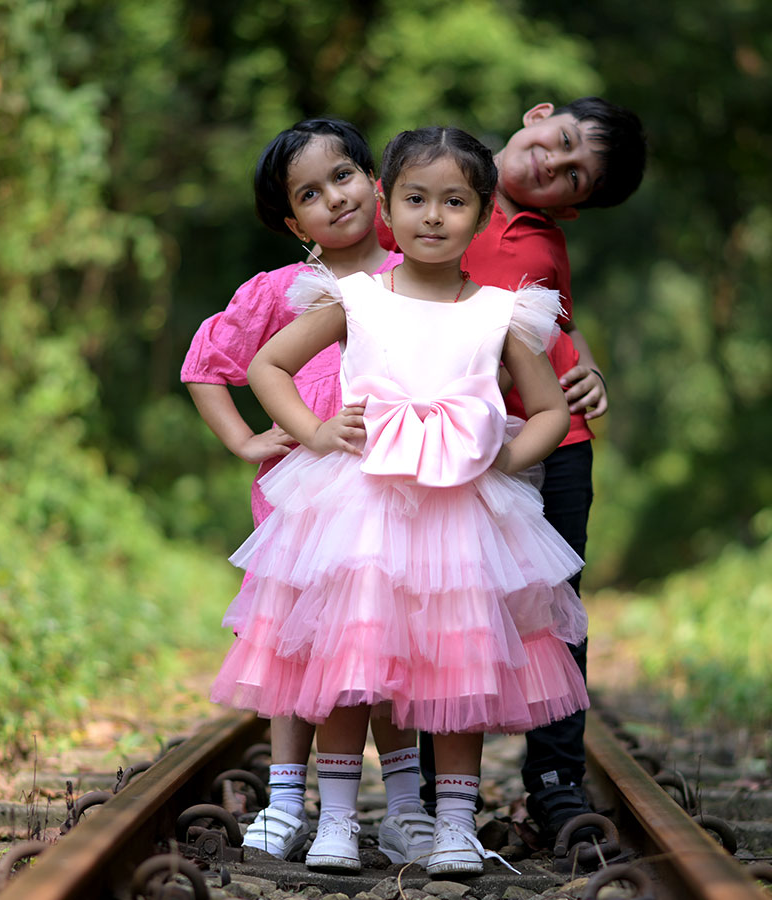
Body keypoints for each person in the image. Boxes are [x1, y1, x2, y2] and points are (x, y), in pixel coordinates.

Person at [210, 125, 589, 877]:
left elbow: (548, 409)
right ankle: (341, 821)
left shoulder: (501, 311)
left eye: (455, 202)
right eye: (416, 199)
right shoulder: (354, 298)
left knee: (458, 664)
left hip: (461, 514)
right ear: (390, 202)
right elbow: (267, 367)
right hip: (364, 503)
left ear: (483, 217)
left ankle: (453, 823)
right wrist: (315, 432)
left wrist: (509, 454)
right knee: (351, 659)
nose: (433, 217)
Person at [376, 98, 647, 846]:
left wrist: (585, 361)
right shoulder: (438, 184)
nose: (552, 165)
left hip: (552, 441)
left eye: (574, 177)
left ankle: (556, 782)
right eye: (558, 143)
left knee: (552, 607)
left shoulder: (546, 243)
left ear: (576, 208)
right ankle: (434, 792)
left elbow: (556, 322)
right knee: (439, 599)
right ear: (537, 115)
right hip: (444, 442)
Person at [181, 118, 434, 866]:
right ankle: (289, 800)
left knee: (386, 650)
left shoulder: (415, 272)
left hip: (399, 497)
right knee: (299, 647)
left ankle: (407, 806)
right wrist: (243, 439)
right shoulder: (282, 291)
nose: (334, 198)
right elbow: (208, 362)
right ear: (295, 223)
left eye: (344, 177)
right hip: (302, 509)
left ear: (376, 183)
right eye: (310, 195)